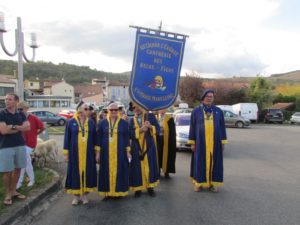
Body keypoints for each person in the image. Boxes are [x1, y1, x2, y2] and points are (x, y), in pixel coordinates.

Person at [188, 89, 227, 193]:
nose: (209, 98)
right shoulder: (196, 111)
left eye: (211, 96)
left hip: (215, 142)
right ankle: (198, 184)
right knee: (199, 163)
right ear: (203, 97)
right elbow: (192, 127)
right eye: (208, 96)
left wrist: (223, 142)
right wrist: (192, 142)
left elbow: (222, 127)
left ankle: (213, 184)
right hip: (201, 143)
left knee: (215, 163)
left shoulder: (218, 111)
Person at [63, 101, 98, 205]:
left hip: (88, 154)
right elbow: (66, 139)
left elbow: (95, 138)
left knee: (87, 172)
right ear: (80, 110)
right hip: (75, 154)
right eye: (86, 109)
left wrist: (97, 153)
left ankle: (85, 195)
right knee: (75, 174)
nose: (88, 111)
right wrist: (66, 154)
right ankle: (76, 196)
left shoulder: (91, 122)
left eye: (89, 109)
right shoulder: (71, 122)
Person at [0, 93, 30, 206]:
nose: (6, 101)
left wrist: (12, 126)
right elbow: (3, 131)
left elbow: (28, 127)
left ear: (16, 101)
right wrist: (19, 128)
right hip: (5, 146)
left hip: (20, 145)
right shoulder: (1, 113)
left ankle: (13, 191)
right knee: (7, 171)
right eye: (5, 99)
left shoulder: (20, 114)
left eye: (9, 99)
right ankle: (7, 194)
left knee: (18, 169)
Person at [96, 103, 131, 198]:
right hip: (105, 152)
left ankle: (118, 192)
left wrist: (128, 152)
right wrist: (98, 153)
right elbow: (98, 139)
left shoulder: (124, 123)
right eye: (111, 110)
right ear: (108, 111)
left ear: (118, 111)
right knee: (105, 171)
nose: (114, 112)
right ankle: (107, 193)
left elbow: (126, 138)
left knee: (120, 171)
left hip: (120, 152)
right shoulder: (102, 123)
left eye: (116, 110)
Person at [129, 103, 160, 197]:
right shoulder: (131, 120)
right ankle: (138, 188)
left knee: (150, 166)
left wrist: (151, 127)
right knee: (137, 168)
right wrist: (140, 130)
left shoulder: (150, 116)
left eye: (138, 106)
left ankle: (150, 187)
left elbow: (158, 129)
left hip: (149, 147)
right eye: (134, 107)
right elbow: (129, 134)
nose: (136, 109)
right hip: (136, 147)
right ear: (132, 109)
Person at [17, 101, 45, 189]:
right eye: (18, 109)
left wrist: (36, 134)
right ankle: (31, 179)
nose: (20, 111)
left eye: (22, 109)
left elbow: (43, 127)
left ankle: (19, 181)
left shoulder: (33, 118)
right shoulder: (18, 118)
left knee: (22, 160)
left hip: (30, 143)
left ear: (26, 109)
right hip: (20, 142)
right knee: (27, 161)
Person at [157, 109, 176, 179]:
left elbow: (172, 132)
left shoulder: (169, 119)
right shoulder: (155, 118)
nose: (162, 111)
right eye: (161, 109)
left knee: (167, 156)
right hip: (157, 140)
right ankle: (157, 171)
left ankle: (166, 172)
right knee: (158, 155)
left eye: (163, 109)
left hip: (166, 140)